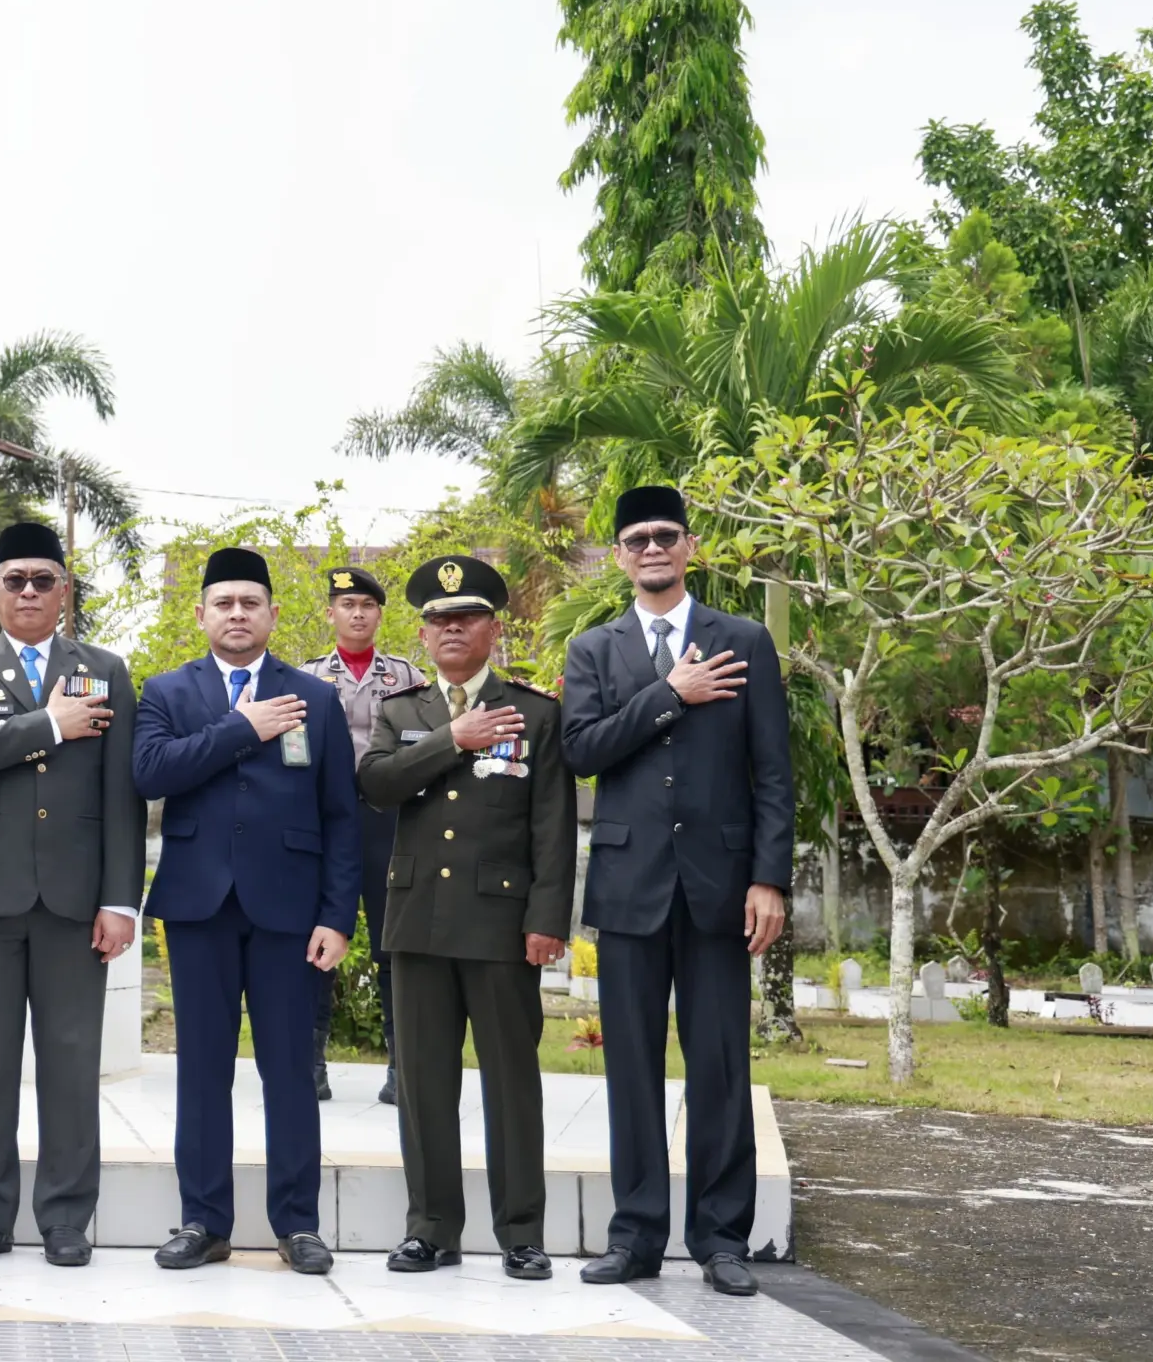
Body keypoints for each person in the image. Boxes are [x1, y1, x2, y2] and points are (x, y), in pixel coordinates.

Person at [563, 485, 793, 1297]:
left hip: (721, 888)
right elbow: (582, 751)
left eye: (666, 534)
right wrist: (670, 695)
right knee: (631, 1067)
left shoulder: (745, 640)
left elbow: (773, 772)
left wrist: (768, 878)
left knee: (721, 1066)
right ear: (619, 557)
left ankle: (722, 1239)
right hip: (629, 886)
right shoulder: (593, 649)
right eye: (638, 539)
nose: (653, 548)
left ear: (690, 547)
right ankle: (635, 1236)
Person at [134, 547, 360, 1275]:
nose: (237, 614)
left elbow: (342, 816)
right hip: (198, 905)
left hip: (290, 910)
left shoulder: (315, 697)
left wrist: (338, 916)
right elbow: (151, 773)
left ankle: (298, 1224)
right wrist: (244, 726)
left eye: (250, 603)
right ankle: (203, 1221)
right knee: (201, 1069)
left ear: (272, 614)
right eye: (224, 603)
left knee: (289, 1069)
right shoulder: (167, 691)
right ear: (201, 614)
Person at [0, 522, 141, 1268]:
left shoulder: (106, 669)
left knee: (71, 1064)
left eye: (42, 580)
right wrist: (50, 722)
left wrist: (121, 900)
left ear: (63, 591)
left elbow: (121, 794)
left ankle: (66, 1218)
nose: (27, 592)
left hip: (75, 901)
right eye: (14, 580)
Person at [357, 556, 576, 1280]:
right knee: (423, 1085)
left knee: (511, 1082)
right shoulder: (402, 711)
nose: (452, 630)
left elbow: (552, 826)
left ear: (493, 629)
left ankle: (522, 1233)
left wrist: (547, 919)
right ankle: (430, 1229)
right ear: (423, 634)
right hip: (418, 921)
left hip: (501, 924)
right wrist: (456, 738)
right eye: (439, 621)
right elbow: (377, 785)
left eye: (467, 618)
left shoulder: (536, 713)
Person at [297, 564, 422, 1104]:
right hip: (323, 823)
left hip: (387, 821)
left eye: (367, 605)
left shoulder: (408, 677)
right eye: (347, 605)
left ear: (379, 615)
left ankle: (403, 1066)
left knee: (395, 942)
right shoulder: (304, 677)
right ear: (331, 613)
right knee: (316, 939)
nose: (357, 614)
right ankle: (309, 1063)